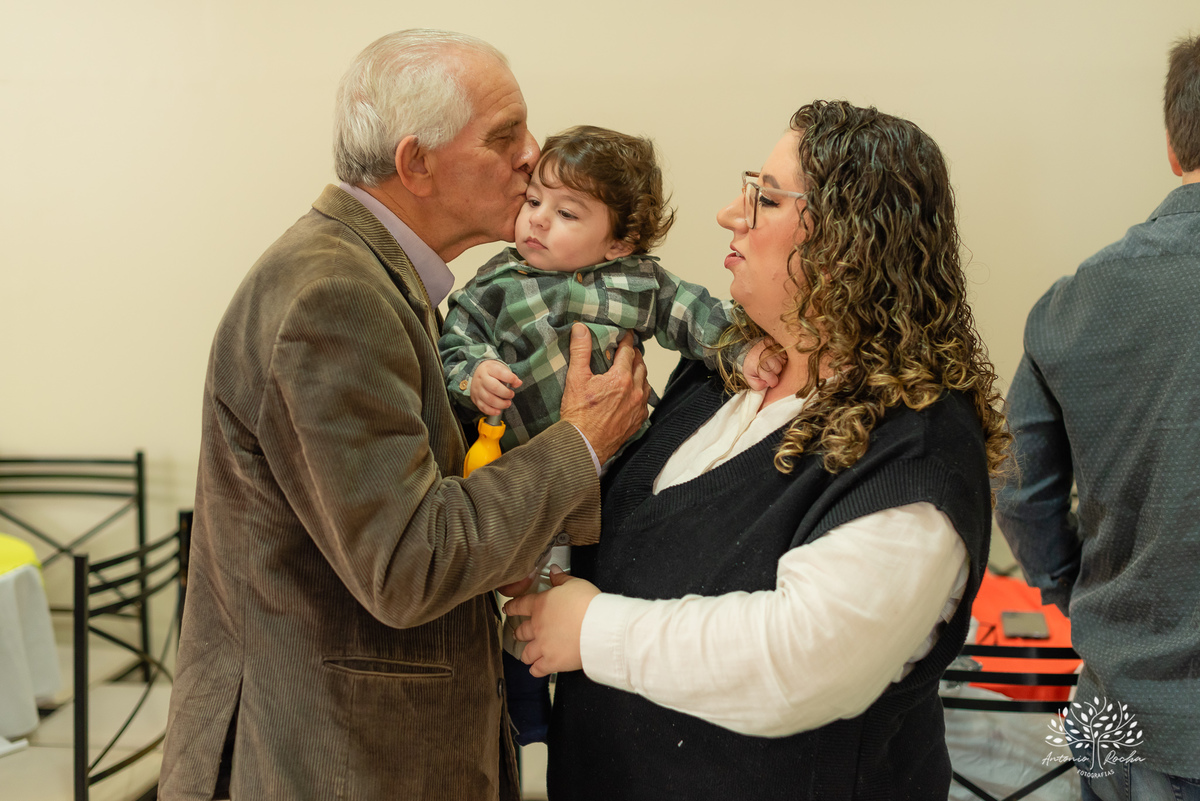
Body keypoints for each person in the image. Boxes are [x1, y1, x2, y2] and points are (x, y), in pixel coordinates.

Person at [159, 30, 650, 801]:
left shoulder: (371, 276)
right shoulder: (335, 295)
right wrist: (578, 445)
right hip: (327, 759)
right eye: (503, 136)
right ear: (415, 162)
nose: (532, 155)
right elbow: (408, 562)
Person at [505, 100, 1011, 800]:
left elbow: (803, 658)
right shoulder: (719, 373)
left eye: (765, 198)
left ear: (847, 240)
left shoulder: (916, 445)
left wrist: (592, 630)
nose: (727, 213)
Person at [439, 124, 779, 745]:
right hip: (531, 474)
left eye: (567, 213)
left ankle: (602, 718)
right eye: (534, 201)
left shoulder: (640, 282)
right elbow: (453, 341)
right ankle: (521, 709)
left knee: (602, 588)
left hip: (621, 474)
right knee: (528, 596)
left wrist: (743, 351)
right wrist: (475, 374)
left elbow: (696, 315)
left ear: (619, 240)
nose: (537, 222)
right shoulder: (496, 283)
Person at [994, 34, 1200, 800]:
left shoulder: (1071, 304)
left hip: (1111, 699)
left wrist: (1071, 589)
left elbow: (1019, 489)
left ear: (1175, 148)